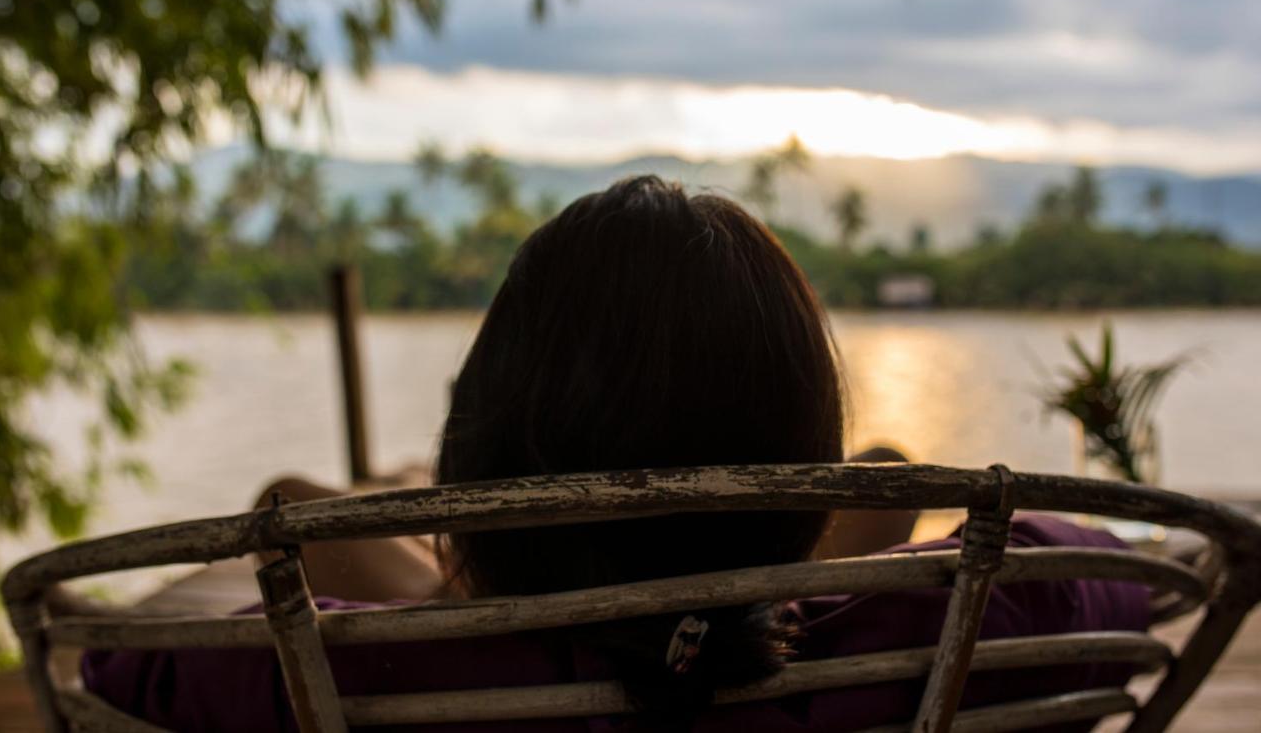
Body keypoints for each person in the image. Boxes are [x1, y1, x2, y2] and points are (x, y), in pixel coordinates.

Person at [82, 176, 1149, 731]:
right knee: (890, 460)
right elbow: (1111, 586)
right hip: (768, 632)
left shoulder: (371, 675)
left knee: (294, 503)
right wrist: (812, 587)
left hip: (494, 628)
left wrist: (461, 610)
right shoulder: (947, 634)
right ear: (794, 483)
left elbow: (120, 671)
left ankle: (496, 570)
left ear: (480, 449)